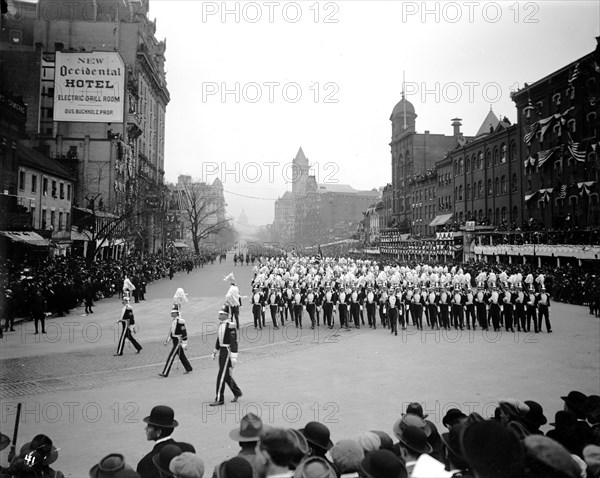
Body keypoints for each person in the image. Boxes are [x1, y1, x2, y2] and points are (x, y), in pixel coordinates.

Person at [137, 406, 195, 478]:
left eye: (149, 426)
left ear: (158, 432)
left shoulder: (146, 462)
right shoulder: (188, 448)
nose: (145, 429)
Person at [210, 309, 242, 406]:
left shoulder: (230, 325)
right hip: (223, 351)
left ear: (226, 315)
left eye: (221, 314)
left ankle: (219, 399)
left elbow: (233, 341)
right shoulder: (221, 324)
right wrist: (215, 351)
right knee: (226, 375)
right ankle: (237, 392)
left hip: (228, 352)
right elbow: (219, 339)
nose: (219, 315)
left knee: (221, 376)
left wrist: (233, 356)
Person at [159, 308, 192, 377]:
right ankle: (188, 368)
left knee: (171, 357)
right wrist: (167, 341)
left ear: (177, 313)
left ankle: (165, 372)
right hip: (174, 340)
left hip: (178, 341)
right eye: (171, 313)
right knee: (181, 356)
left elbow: (184, 333)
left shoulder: (180, 321)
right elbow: (171, 332)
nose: (171, 314)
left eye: (173, 313)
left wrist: (184, 344)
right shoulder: (173, 321)